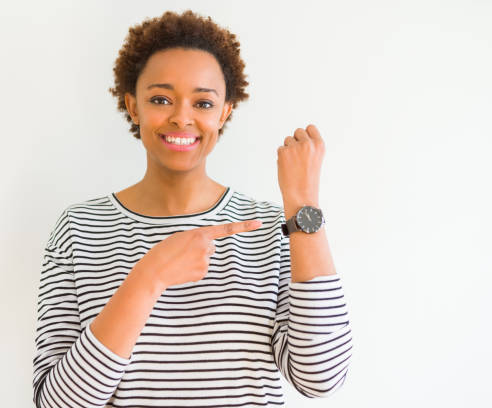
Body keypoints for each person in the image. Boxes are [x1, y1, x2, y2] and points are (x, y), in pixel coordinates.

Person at [33, 10, 352, 408]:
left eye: (203, 102)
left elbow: (320, 378)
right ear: (133, 106)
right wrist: (148, 279)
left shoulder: (272, 228)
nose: (182, 117)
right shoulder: (79, 229)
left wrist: (304, 206)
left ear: (224, 112)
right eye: (160, 99)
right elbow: (56, 403)